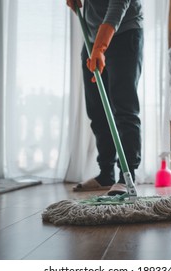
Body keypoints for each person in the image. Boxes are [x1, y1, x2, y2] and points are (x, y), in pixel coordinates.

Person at [67, 0, 143, 195]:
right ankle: (106, 174)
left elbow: (118, 4)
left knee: (124, 108)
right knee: (97, 109)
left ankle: (127, 176)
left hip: (124, 33)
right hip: (93, 36)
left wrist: (100, 48)